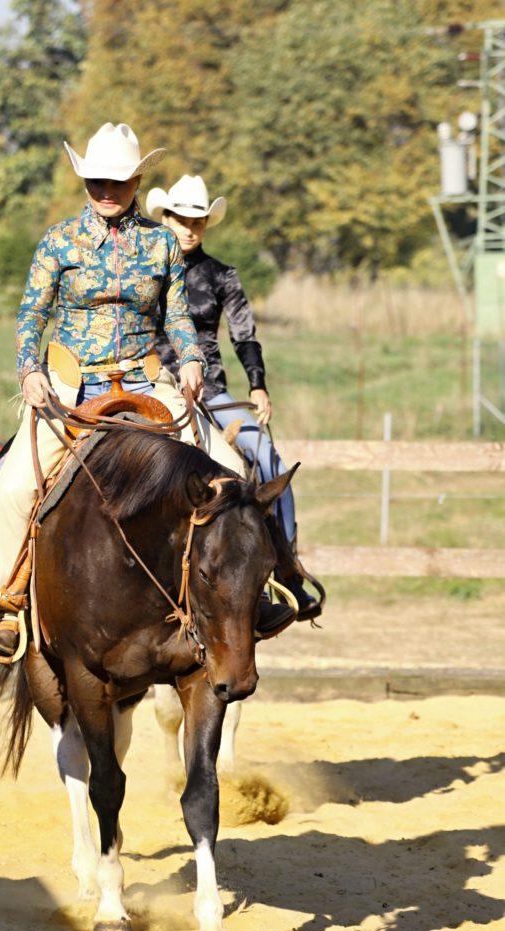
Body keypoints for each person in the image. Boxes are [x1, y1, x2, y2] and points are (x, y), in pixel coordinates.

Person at [0, 125, 292, 659]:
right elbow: (31, 314)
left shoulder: (161, 243)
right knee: (11, 491)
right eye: (97, 181)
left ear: (137, 182)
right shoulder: (58, 241)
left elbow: (177, 315)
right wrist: (29, 371)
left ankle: (252, 593)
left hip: (148, 380)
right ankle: (7, 608)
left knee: (232, 473)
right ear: (85, 181)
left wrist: (190, 359)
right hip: (70, 385)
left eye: (119, 181)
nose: (107, 191)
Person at [146, 175, 324, 620]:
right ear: (165, 219)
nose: (190, 229)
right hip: (149, 387)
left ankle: (287, 572)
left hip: (211, 392)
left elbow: (244, 336)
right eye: (181, 220)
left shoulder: (221, 275)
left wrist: (257, 384)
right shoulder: (141, 268)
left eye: (198, 222)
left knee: (267, 459)